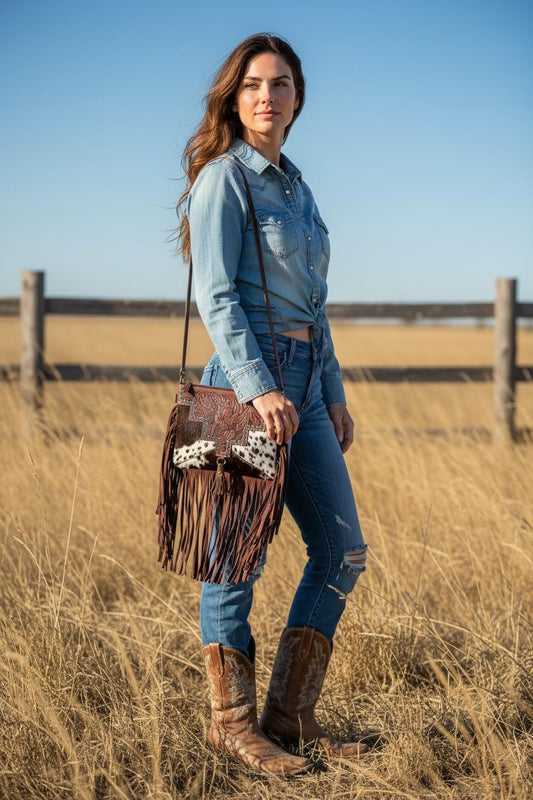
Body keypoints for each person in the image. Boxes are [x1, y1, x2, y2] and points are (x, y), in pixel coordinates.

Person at [177, 33, 368, 776]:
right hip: (241, 379)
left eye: (281, 83)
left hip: (307, 381)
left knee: (342, 551)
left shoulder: (298, 186)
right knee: (232, 557)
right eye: (253, 84)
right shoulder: (225, 179)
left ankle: (289, 716)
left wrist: (332, 392)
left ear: (296, 98)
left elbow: (315, 305)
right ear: (234, 96)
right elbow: (215, 294)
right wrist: (258, 387)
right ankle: (233, 726)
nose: (267, 95)